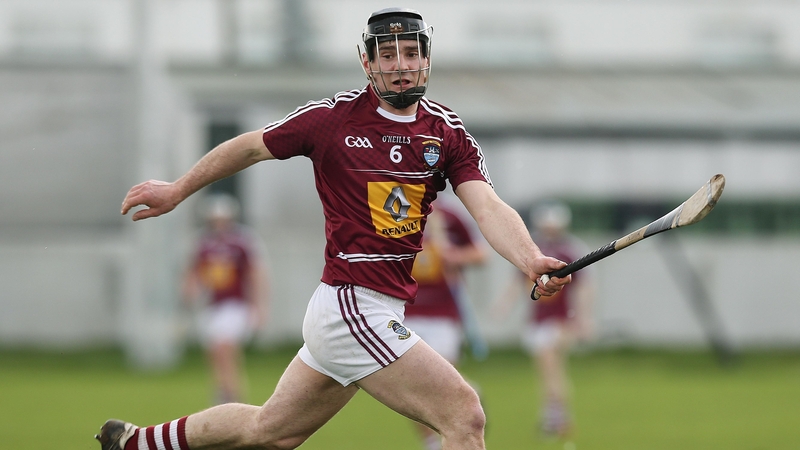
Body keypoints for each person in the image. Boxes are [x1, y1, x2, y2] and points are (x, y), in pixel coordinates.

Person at [96, 7, 570, 450]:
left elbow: (487, 206)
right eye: (388, 54)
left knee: (270, 432)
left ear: (427, 58)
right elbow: (248, 147)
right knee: (464, 415)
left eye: (411, 53)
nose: (401, 65)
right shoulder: (331, 119)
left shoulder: (445, 132)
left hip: (372, 308)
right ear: (367, 61)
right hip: (352, 305)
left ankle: (137, 442)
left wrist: (529, 257)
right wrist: (178, 189)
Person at [493, 200, 594, 439]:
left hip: (560, 320)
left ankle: (557, 419)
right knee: (549, 371)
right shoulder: (535, 251)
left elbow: (583, 288)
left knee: (552, 369)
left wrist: (582, 318)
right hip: (538, 320)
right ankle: (556, 417)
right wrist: (503, 306)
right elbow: (519, 283)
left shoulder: (569, 251)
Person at [404, 194, 488, 450]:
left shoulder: (450, 217)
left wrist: (453, 257)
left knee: (441, 384)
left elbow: (480, 254)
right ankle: (431, 442)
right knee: (412, 386)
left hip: (444, 314)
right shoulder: (397, 210)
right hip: (407, 312)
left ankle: (463, 404)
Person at [182, 193, 269, 405]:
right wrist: (189, 293)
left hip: (237, 304)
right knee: (216, 353)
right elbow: (193, 272)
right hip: (213, 305)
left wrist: (259, 307)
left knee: (225, 347)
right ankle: (225, 392)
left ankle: (231, 397)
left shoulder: (242, 242)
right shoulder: (203, 243)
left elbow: (255, 274)